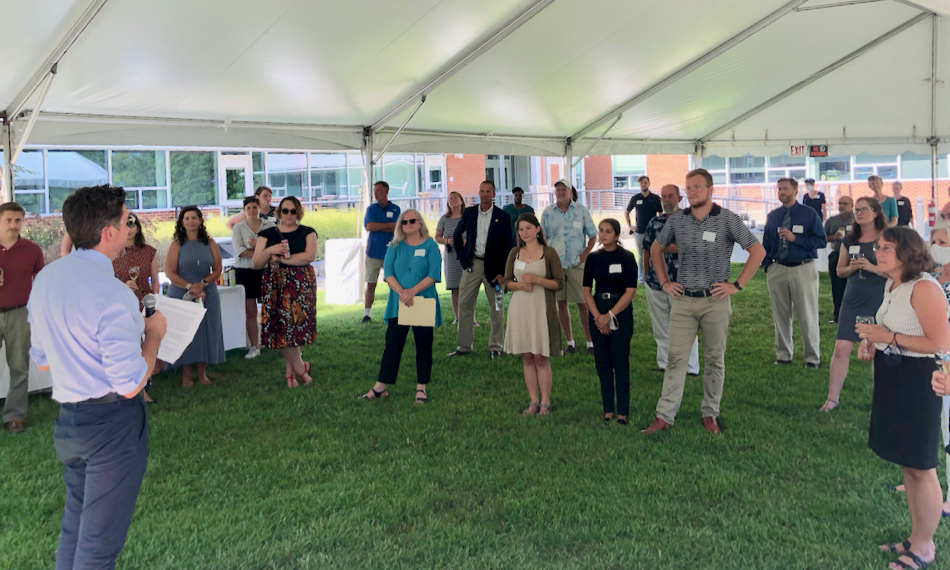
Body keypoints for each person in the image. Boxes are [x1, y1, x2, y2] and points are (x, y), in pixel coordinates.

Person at [28, 184, 167, 569]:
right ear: (108, 233)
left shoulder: (45, 281)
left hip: (69, 423)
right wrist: (153, 335)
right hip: (111, 425)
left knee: (75, 529)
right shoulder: (112, 292)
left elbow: (40, 361)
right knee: (98, 548)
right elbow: (130, 383)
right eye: (126, 222)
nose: (129, 228)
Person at [641, 168, 765, 435]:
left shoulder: (728, 219)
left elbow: (758, 250)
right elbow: (655, 248)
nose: (692, 192)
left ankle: (710, 414)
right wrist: (664, 282)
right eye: (689, 188)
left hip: (715, 301)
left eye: (697, 187)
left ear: (710, 189)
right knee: (675, 359)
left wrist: (737, 285)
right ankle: (664, 416)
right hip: (684, 301)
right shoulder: (677, 220)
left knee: (714, 359)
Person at [856, 227, 949, 570]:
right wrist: (875, 342)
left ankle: (924, 547)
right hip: (893, 374)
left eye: (887, 248)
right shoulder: (892, 284)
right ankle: (916, 534)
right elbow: (896, 332)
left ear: (908, 253)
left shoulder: (924, 287)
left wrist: (887, 336)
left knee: (921, 465)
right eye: (878, 246)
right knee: (908, 464)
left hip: (919, 380)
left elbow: (941, 345)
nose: (878, 252)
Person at [362, 209, 441, 403]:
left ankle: (421, 387)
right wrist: (402, 293)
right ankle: (381, 386)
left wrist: (412, 291)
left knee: (423, 345)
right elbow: (388, 273)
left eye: (412, 221)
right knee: (393, 344)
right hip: (399, 303)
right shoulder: (394, 246)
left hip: (422, 300)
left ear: (420, 223)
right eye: (404, 222)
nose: (408, 225)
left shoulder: (431, 246)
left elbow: (434, 273)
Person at [819, 197, 887, 411]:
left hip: (880, 299)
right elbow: (840, 271)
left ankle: (881, 400)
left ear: (876, 212)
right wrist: (852, 268)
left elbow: (897, 270)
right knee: (841, 348)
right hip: (853, 298)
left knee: (879, 350)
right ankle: (832, 398)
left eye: (863, 209)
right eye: (857, 210)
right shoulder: (850, 239)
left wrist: (872, 267)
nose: (859, 213)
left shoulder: (888, 237)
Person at [762, 178, 826, 368]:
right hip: (778, 269)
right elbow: (766, 243)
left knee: (807, 314)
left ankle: (812, 358)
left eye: (785, 189)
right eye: (779, 189)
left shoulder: (809, 214)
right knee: (780, 314)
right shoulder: (773, 215)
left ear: (795, 191)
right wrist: (768, 266)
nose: (781, 192)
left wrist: (795, 238)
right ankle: (783, 355)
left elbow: (821, 241)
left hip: (802, 268)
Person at [253, 196, 317, 388]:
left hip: (300, 284)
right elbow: (256, 263)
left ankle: (291, 375)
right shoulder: (266, 234)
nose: (289, 214)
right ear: (279, 212)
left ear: (299, 212)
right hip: (275, 285)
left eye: (293, 211)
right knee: (279, 329)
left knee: (295, 329)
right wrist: (270, 250)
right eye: (285, 210)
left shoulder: (308, 232)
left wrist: (281, 260)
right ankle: (301, 369)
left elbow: (309, 256)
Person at [504, 213, 564, 416]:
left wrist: (538, 280)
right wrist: (519, 285)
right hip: (520, 308)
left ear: (538, 229)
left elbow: (559, 283)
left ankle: (545, 402)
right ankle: (533, 401)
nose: (525, 233)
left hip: (541, 307)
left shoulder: (549, 253)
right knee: (527, 355)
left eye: (528, 228)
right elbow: (506, 282)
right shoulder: (514, 253)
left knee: (540, 356)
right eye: (521, 229)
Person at [641, 185, 700, 376]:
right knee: (661, 325)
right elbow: (647, 249)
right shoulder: (654, 222)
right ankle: (665, 363)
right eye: (663, 197)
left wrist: (664, 247)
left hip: (682, 283)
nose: (667, 200)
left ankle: (690, 366)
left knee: (686, 326)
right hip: (656, 283)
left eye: (671, 196)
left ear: (680, 198)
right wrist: (647, 271)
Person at [450, 180, 512, 358]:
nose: (484, 194)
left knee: (497, 307)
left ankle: (496, 347)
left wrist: (502, 272)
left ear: (494, 195)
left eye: (488, 191)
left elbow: (508, 246)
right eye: (482, 191)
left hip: (495, 268)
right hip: (473, 264)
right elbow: (456, 235)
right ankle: (463, 347)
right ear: (478, 193)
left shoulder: (503, 216)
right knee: (464, 304)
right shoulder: (469, 213)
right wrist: (463, 258)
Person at [164, 206, 226, 387]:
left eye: (194, 218)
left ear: (200, 220)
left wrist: (203, 284)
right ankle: (185, 375)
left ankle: (202, 373)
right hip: (181, 291)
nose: (190, 221)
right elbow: (170, 272)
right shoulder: (176, 244)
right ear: (182, 223)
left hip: (206, 291)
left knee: (205, 331)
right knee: (186, 333)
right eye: (186, 218)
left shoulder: (210, 243)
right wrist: (191, 287)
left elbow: (217, 269)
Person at [583, 219, 637, 424]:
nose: (603, 234)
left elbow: (630, 291)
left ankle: (622, 410)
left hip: (620, 312)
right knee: (602, 363)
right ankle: (608, 409)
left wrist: (610, 316)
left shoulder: (627, 257)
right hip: (598, 310)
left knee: (620, 361)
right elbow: (586, 290)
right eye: (600, 231)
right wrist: (598, 316)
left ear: (616, 235)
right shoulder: (593, 258)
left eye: (608, 231)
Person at [0, 202, 44, 433]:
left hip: (19, 313)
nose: (13, 225)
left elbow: (41, 281)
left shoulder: (32, 250)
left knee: (19, 367)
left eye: (17, 220)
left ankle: (15, 417)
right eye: (8, 220)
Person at [541, 179, 597, 354]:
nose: (560, 192)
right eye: (557, 189)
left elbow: (593, 236)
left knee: (583, 303)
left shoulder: (581, 211)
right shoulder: (548, 213)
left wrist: (584, 255)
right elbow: (543, 237)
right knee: (561, 303)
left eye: (564, 189)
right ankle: (570, 342)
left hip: (576, 264)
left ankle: (591, 343)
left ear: (571, 192)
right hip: (556, 265)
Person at [112, 212, 159, 403]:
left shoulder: (148, 251)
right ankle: (136, 390)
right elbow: (104, 280)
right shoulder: (112, 252)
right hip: (120, 304)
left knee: (146, 345)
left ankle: (144, 386)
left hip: (144, 302)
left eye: (133, 225)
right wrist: (122, 286)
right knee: (130, 346)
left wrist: (154, 299)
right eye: (126, 225)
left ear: (138, 228)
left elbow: (156, 279)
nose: (130, 230)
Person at [232, 196, 275, 359]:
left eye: (254, 207)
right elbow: (240, 252)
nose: (251, 211)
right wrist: (264, 251)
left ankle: (271, 340)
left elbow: (277, 247)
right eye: (248, 208)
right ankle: (254, 346)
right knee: (250, 311)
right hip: (245, 272)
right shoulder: (238, 228)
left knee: (270, 308)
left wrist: (259, 246)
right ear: (244, 210)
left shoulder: (269, 225)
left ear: (259, 208)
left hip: (266, 271)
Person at [362, 181, 400, 324]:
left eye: (378, 190)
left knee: (394, 283)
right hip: (373, 251)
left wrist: (382, 226)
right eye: (374, 190)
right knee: (371, 284)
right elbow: (370, 226)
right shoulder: (371, 209)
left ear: (386, 191)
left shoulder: (396, 209)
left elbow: (397, 228)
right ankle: (367, 314)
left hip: (392, 251)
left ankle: (394, 312)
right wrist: (389, 225)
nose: (375, 193)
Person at [624, 175, 662, 283]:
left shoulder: (655, 198)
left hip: (653, 232)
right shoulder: (635, 198)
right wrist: (630, 225)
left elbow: (660, 212)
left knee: (654, 253)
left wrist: (658, 225)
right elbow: (627, 211)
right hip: (639, 232)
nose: (643, 184)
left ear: (649, 184)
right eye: (641, 183)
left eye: (645, 182)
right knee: (641, 256)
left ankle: (654, 275)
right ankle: (642, 278)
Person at [434, 191, 465, 323]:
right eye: (450, 199)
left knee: (468, 287)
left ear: (461, 201)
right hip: (451, 256)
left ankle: (470, 317)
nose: (452, 200)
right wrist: (447, 241)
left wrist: (464, 242)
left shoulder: (467, 217)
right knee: (454, 287)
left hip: (465, 255)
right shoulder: (444, 219)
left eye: (455, 198)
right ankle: (457, 317)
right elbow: (437, 237)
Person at [824, 195, 854, 324]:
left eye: (845, 203)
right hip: (836, 254)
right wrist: (833, 237)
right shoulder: (832, 220)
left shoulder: (857, 220)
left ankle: (853, 315)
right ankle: (838, 316)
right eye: (840, 203)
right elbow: (822, 238)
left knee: (853, 287)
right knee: (837, 287)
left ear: (851, 205)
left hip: (854, 256)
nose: (842, 206)